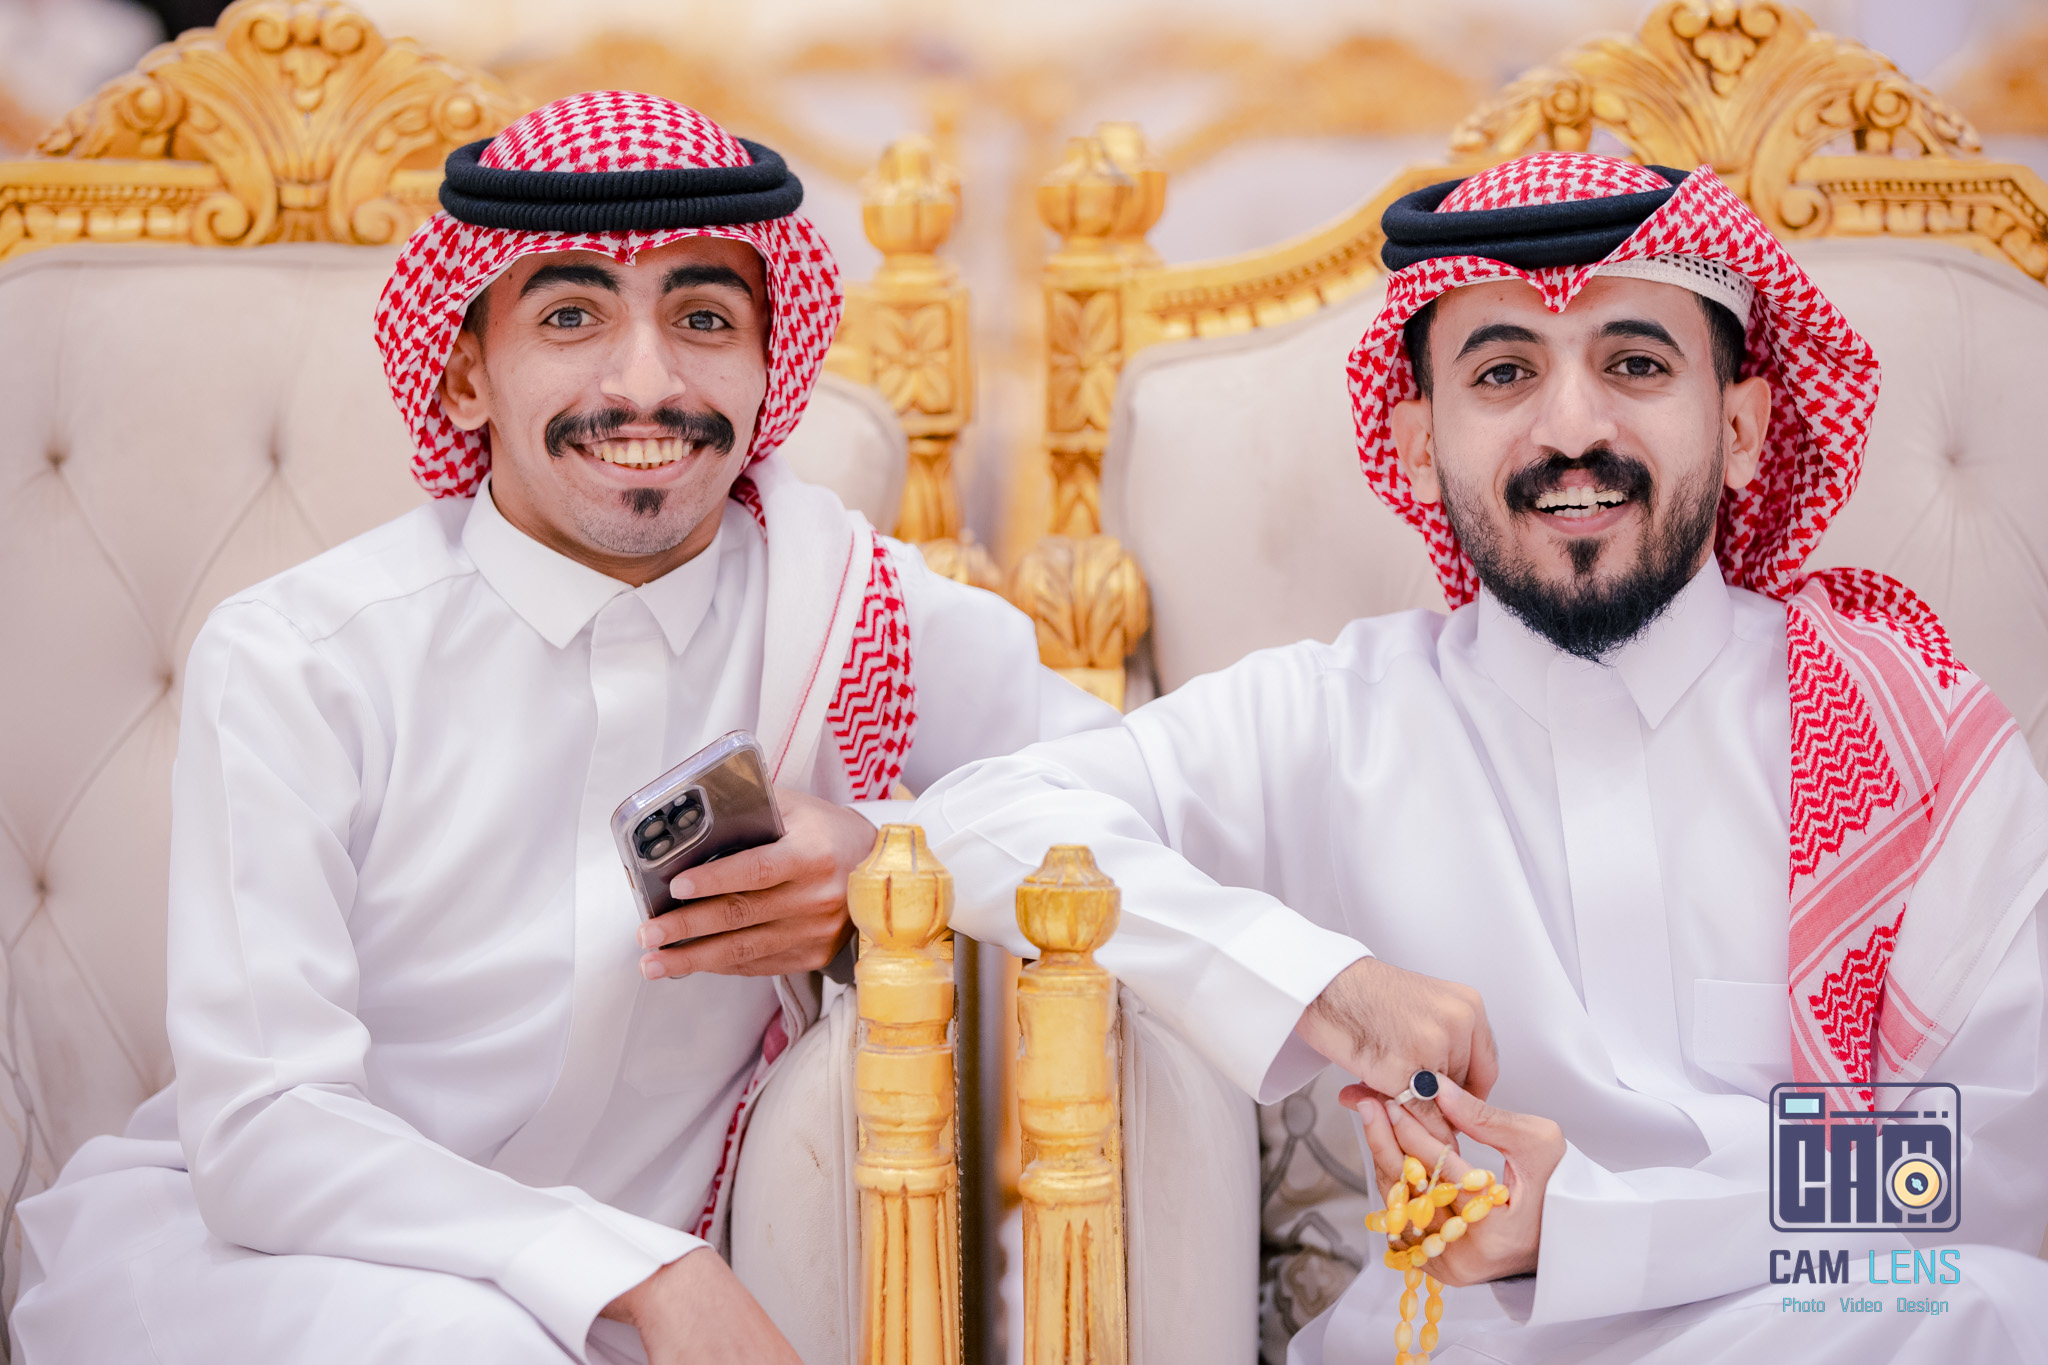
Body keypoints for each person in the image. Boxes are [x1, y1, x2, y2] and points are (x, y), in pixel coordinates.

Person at [8, 93, 1114, 1365]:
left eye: (704, 319)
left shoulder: (838, 608)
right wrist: (637, 1272)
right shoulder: (300, 659)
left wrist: (885, 864)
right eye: (571, 318)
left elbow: (1122, 787)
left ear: (771, 362)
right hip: (273, 1271)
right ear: (465, 372)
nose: (645, 385)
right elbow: (267, 1131)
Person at [913, 153, 2048, 1361]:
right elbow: (972, 823)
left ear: (1740, 426)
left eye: (1634, 364)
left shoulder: (1903, 728)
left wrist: (1597, 1230)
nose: (1572, 430)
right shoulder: (1333, 719)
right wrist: (1324, 988)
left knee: (1988, 1309)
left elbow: (1995, 1155)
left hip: (1827, 1329)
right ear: (1415, 444)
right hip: (1450, 1343)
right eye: (1503, 373)